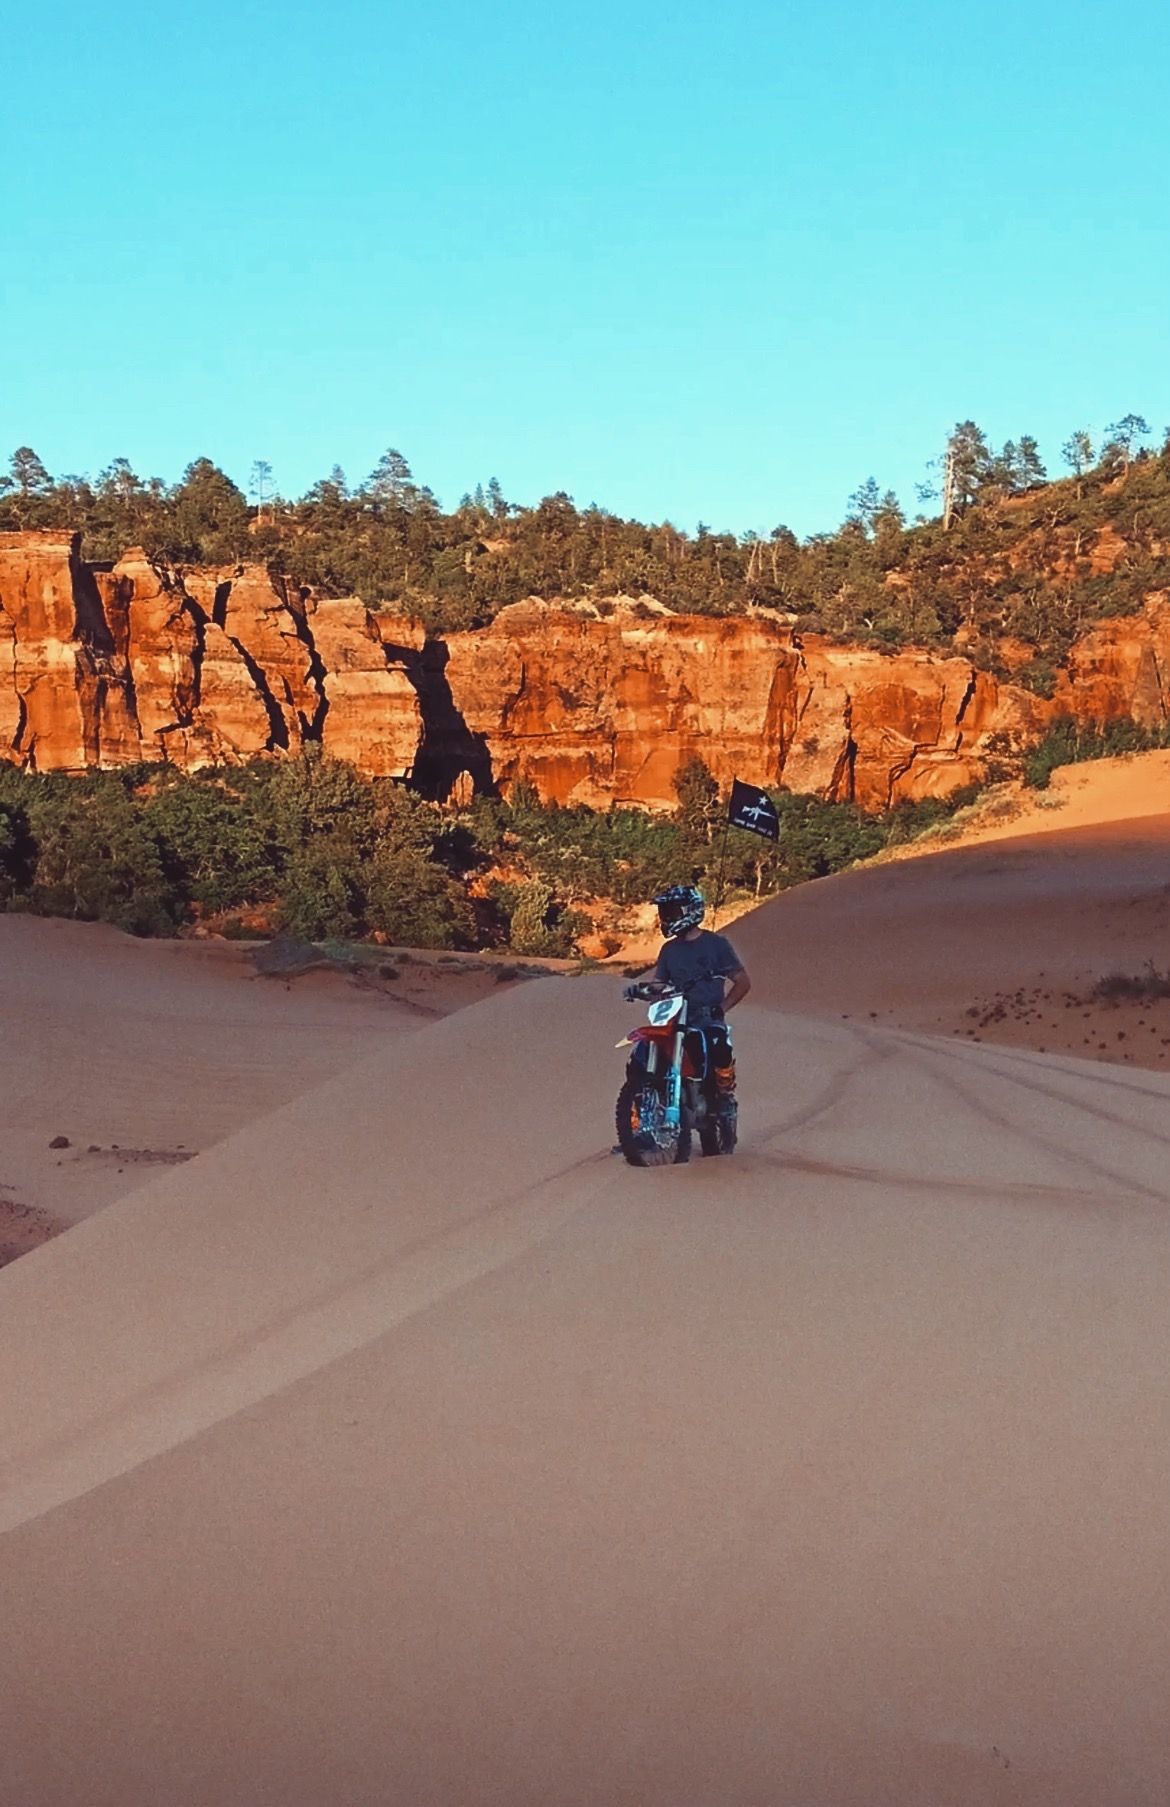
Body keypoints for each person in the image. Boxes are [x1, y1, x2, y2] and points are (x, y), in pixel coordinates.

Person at [651, 885, 750, 1120]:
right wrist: (645, 990)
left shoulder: (716, 944)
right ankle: (639, 1121)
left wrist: (722, 1008)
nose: (666, 918)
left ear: (689, 911)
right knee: (647, 1054)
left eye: (672, 911)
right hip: (677, 1018)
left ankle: (725, 1097)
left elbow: (743, 981)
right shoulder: (669, 950)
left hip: (707, 1018)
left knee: (719, 1047)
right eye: (665, 912)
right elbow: (658, 983)